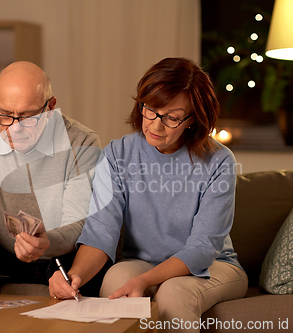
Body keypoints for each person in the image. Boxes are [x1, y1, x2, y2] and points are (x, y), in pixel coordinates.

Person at [49, 57, 248, 332]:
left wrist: (147, 280)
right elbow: (100, 233)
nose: (156, 126)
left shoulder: (219, 161)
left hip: (212, 267)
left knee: (174, 292)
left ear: (193, 119)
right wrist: (73, 277)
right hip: (140, 262)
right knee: (116, 279)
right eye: (150, 110)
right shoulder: (118, 154)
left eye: (172, 118)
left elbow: (202, 249)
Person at [0, 61, 101, 298]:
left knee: (82, 272)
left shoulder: (81, 142)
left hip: (59, 253)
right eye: (5, 115)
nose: (14, 128)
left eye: (28, 117)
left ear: (50, 107)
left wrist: (47, 241)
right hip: (0, 255)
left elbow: (78, 223)